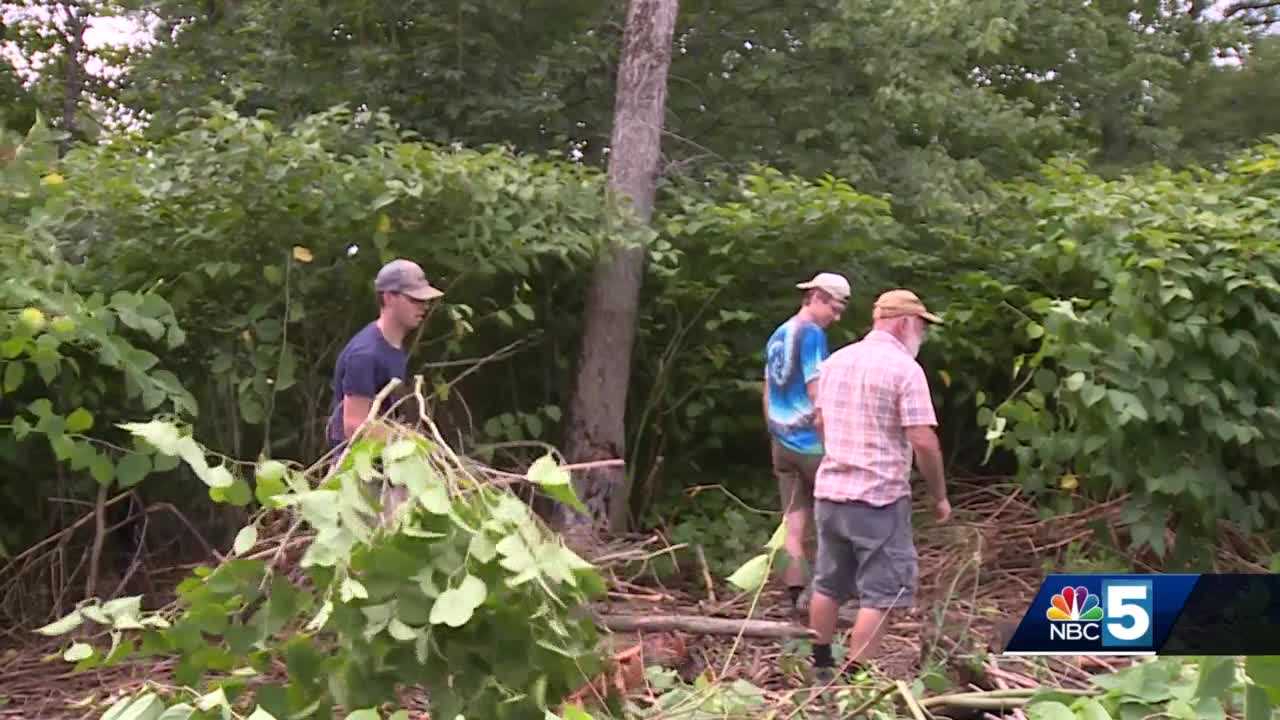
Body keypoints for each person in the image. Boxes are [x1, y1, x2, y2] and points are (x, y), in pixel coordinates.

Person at [807, 288, 950, 682]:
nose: (922, 333)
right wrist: (939, 495)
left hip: (831, 493)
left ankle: (820, 665)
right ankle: (857, 677)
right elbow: (922, 439)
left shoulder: (835, 362)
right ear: (904, 322)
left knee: (828, 583)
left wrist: (837, 452)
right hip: (879, 498)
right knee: (884, 593)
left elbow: (819, 420)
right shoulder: (905, 370)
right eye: (921, 325)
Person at [763, 271, 851, 614]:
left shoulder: (777, 334)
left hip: (781, 442)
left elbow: (768, 388)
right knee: (838, 522)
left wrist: (772, 429)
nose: (837, 316)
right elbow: (819, 396)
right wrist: (835, 445)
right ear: (816, 297)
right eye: (835, 307)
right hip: (812, 445)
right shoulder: (811, 335)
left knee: (794, 524)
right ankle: (827, 597)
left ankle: (793, 596)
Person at [325, 258, 444, 452]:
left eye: (425, 301)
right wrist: (411, 441)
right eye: (415, 299)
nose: (424, 307)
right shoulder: (365, 354)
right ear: (388, 298)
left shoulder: (394, 345)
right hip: (359, 470)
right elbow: (354, 426)